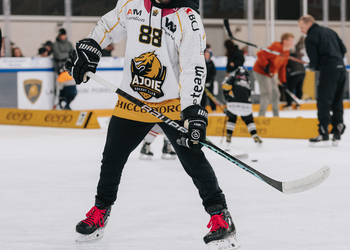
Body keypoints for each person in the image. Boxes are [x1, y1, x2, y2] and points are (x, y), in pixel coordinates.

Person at [65, 0, 237, 248]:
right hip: (133, 101)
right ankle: (101, 210)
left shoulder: (188, 19)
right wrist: (92, 46)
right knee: (112, 158)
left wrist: (192, 111)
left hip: (172, 103)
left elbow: (193, 66)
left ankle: (220, 216)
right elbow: (107, 24)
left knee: (194, 160)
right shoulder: (132, 4)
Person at [298, 15, 347, 145]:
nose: (301, 30)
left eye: (302, 27)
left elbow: (314, 62)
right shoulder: (330, 31)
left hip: (328, 71)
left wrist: (312, 65)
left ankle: (323, 132)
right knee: (337, 100)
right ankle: (337, 130)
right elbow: (343, 49)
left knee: (323, 101)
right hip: (341, 69)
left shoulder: (310, 37)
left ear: (309, 24)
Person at [253, 33, 295, 117]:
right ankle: (261, 116)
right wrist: (265, 66)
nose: (293, 43)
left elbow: (282, 68)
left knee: (276, 94)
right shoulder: (276, 47)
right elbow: (260, 54)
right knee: (266, 93)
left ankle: (276, 116)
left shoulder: (286, 52)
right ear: (285, 41)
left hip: (270, 74)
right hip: (261, 71)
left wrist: (283, 81)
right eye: (291, 41)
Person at [222, 66, 263, 151]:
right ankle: (254, 135)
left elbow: (225, 87)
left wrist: (228, 98)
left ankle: (228, 136)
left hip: (233, 104)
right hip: (246, 105)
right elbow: (248, 95)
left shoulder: (232, 78)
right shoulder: (248, 81)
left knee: (232, 119)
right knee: (249, 121)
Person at [284, 37, 306, 109]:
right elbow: (298, 47)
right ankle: (298, 104)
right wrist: (301, 40)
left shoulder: (288, 56)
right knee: (299, 88)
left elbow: (285, 66)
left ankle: (289, 104)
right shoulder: (297, 54)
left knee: (289, 89)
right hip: (302, 72)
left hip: (295, 73)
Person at [200, 47, 217, 111]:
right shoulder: (202, 62)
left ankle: (214, 108)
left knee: (211, 96)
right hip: (202, 83)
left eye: (208, 54)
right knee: (202, 97)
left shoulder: (211, 63)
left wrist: (210, 81)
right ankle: (202, 108)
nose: (206, 55)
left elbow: (213, 73)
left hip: (209, 83)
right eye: (205, 54)